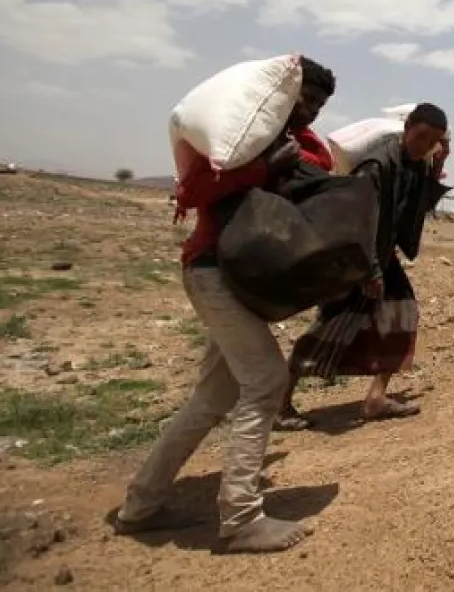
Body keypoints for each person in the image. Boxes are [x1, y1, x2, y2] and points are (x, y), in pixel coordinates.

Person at [112, 56, 337, 554]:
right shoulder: (242, 142)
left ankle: (140, 505)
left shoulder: (295, 143)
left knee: (212, 398)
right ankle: (240, 520)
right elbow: (192, 191)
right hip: (215, 272)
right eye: (307, 99)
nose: (313, 111)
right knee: (266, 382)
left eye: (320, 105)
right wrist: (262, 167)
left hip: (242, 280)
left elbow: (319, 174)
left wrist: (291, 158)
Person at [279, 104, 451, 428]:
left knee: (403, 312)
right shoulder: (376, 165)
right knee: (331, 326)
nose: (425, 145)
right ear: (408, 127)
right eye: (422, 137)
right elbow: (358, 219)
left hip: (382, 257)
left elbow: (415, 208)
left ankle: (375, 398)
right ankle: (280, 403)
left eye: (434, 142)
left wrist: (435, 167)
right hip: (357, 258)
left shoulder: (415, 166)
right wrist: (369, 270)